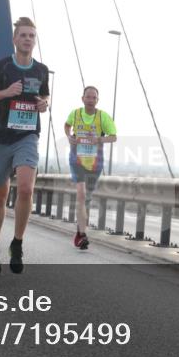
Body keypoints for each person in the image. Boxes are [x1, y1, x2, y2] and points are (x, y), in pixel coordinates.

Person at [0, 17, 49, 276]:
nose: (28, 39)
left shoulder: (41, 70)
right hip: (1, 139)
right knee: (0, 196)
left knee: (25, 189)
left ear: (34, 41)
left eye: (31, 36)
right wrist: (4, 92)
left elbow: (45, 95)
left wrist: (44, 103)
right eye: (23, 35)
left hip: (27, 137)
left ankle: (17, 243)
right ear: (15, 40)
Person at [64, 86, 117, 250]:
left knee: (86, 199)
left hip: (95, 163)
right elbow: (67, 125)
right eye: (88, 97)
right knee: (81, 195)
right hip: (77, 160)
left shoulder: (103, 117)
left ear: (97, 100)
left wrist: (99, 140)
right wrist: (68, 136)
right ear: (83, 98)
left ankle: (79, 233)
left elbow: (114, 137)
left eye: (94, 97)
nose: (91, 100)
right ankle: (83, 234)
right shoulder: (76, 113)